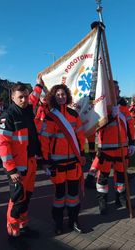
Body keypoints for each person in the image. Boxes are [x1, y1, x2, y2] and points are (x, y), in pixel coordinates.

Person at [0, 83, 42, 248]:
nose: (24, 100)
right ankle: (13, 234)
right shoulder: (8, 116)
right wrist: (11, 169)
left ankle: (23, 228)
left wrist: (39, 85)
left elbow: (34, 98)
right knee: (16, 201)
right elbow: (2, 145)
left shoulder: (28, 109)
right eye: (20, 97)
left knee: (26, 198)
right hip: (17, 167)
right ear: (13, 98)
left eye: (25, 96)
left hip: (30, 162)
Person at [40, 84, 86, 235]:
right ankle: (58, 223)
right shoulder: (50, 116)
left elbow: (80, 137)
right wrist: (46, 161)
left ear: (67, 96)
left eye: (63, 94)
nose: (61, 97)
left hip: (73, 163)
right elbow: (45, 141)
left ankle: (74, 221)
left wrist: (83, 154)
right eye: (58, 94)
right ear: (53, 97)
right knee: (59, 196)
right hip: (56, 164)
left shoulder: (74, 114)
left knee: (73, 195)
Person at [94, 80, 135, 215]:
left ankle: (121, 198)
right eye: (114, 89)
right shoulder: (102, 107)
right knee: (103, 178)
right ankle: (102, 201)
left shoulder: (124, 107)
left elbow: (130, 127)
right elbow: (96, 126)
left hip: (122, 149)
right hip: (106, 149)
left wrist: (132, 142)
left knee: (121, 177)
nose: (117, 91)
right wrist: (111, 116)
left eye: (118, 89)